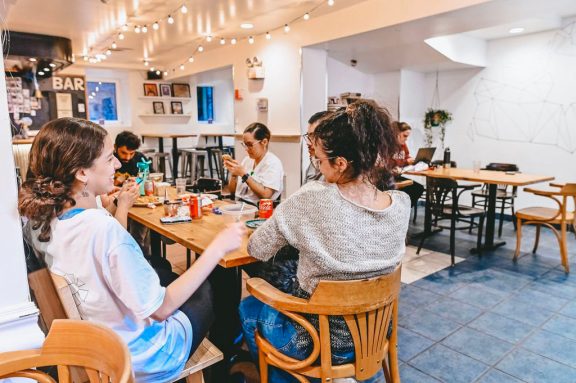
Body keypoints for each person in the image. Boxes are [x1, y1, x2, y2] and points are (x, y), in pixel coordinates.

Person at [19, 117, 246, 383]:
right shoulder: (103, 229)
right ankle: (223, 373)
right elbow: (161, 309)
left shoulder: (43, 221)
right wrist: (217, 247)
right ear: (82, 173)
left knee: (163, 270)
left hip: (98, 344)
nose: (116, 164)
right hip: (143, 357)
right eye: (108, 158)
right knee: (209, 287)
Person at [238, 100, 411, 383]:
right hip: (376, 335)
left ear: (340, 163)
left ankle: (293, 377)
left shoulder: (311, 198)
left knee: (249, 308)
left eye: (318, 159)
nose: (317, 165)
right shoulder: (401, 205)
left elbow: (257, 248)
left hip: (316, 341)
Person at [224, 123, 284, 206]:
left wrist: (244, 174)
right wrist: (234, 175)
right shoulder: (247, 160)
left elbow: (266, 195)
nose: (246, 149)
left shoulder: (273, 163)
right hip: (239, 205)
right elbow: (232, 192)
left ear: (264, 142)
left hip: (258, 210)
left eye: (250, 145)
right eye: (244, 145)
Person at [391, 121, 424, 207]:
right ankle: (402, 210)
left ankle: (404, 211)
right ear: (397, 134)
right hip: (388, 177)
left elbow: (406, 156)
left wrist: (409, 160)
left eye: (407, 136)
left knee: (418, 188)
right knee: (417, 188)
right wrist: (406, 162)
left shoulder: (403, 145)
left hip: (396, 175)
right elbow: (390, 163)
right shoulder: (389, 146)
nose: (406, 139)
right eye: (405, 136)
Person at [303, 111, 332, 184]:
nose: (308, 143)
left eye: (313, 137)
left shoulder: (335, 168)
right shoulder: (313, 163)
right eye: (308, 136)